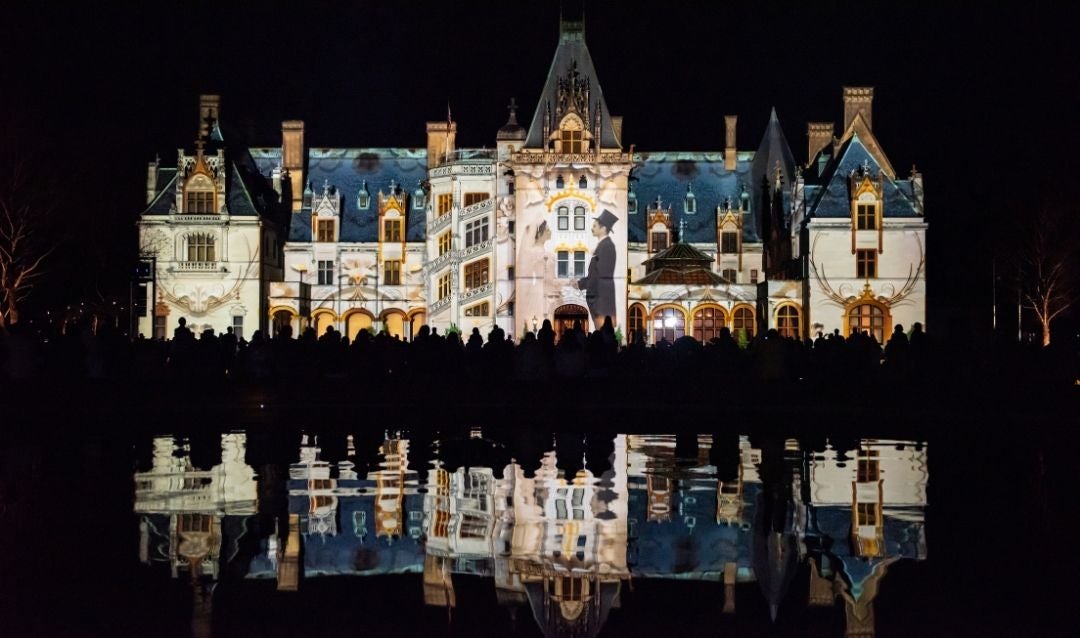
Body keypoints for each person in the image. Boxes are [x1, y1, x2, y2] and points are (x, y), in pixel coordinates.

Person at [575, 209, 617, 326]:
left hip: (601, 300)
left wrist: (580, 284)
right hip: (600, 299)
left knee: (602, 332)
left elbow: (601, 275)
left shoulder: (606, 246)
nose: (592, 228)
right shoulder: (603, 246)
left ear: (603, 228)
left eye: (595, 226)